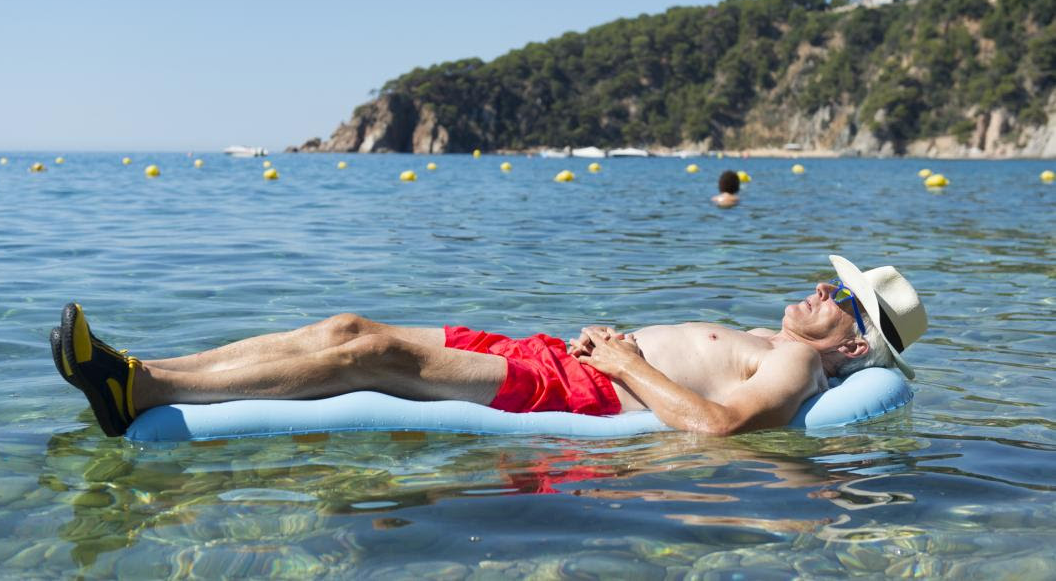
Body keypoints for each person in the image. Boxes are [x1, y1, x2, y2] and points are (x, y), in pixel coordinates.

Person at [50, 255, 927, 437]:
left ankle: (140, 389)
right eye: (831, 281)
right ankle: (139, 374)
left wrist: (625, 364)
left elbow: (722, 427)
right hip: (556, 354)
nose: (822, 290)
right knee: (343, 331)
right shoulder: (772, 337)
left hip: (577, 389)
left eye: (842, 299)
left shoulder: (798, 363)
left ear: (854, 347)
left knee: (362, 349)